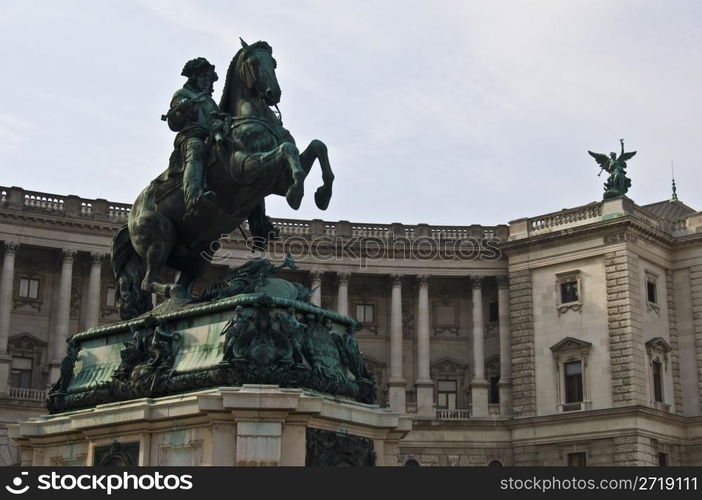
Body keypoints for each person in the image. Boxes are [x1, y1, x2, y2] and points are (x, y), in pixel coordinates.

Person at [165, 57, 223, 218]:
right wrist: (182, 110)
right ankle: (193, 197)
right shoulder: (183, 94)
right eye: (203, 77)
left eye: (209, 79)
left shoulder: (210, 102)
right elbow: (174, 123)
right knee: (196, 149)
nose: (207, 82)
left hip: (211, 139)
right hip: (192, 136)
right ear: (194, 77)